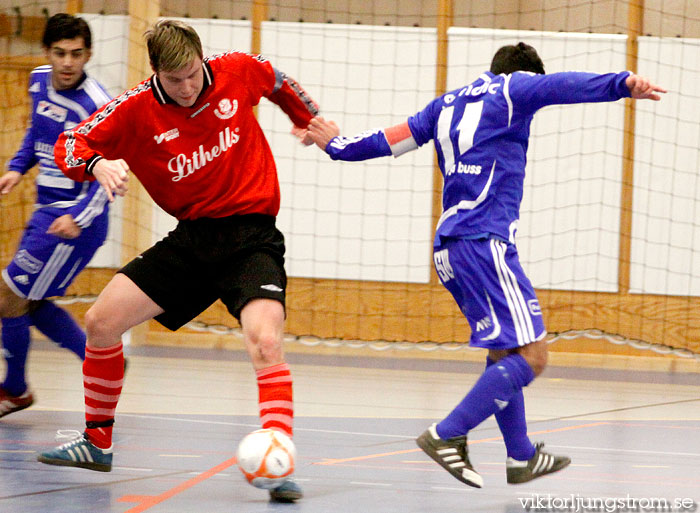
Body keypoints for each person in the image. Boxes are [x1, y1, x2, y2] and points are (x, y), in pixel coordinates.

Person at [305, 42, 665, 488]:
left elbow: (384, 142)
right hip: (485, 241)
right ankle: (447, 435)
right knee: (533, 356)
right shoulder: (514, 89)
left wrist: (335, 144)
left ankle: (520, 457)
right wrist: (622, 84)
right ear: (523, 75)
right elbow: (563, 86)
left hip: (449, 248)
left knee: (504, 350)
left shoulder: (442, 106)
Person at [36, 19, 318, 502]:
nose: (186, 88)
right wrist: (97, 163)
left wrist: (305, 118)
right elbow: (70, 145)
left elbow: (276, 80)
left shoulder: (235, 70)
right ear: (155, 74)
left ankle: (279, 459)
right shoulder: (134, 108)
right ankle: (96, 443)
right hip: (191, 241)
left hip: (252, 237)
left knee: (266, 342)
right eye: (173, 80)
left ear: (201, 59)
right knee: (101, 322)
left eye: (191, 74)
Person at [0, 14, 111, 419]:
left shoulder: (97, 105)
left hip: (72, 218)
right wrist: (17, 167)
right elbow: (37, 133)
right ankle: (100, 362)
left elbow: (109, 174)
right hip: (47, 211)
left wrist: (79, 217)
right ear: (48, 53)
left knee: (9, 295)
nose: (68, 63)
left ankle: (14, 389)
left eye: (77, 54)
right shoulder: (37, 80)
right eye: (60, 53)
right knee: (29, 302)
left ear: (88, 54)